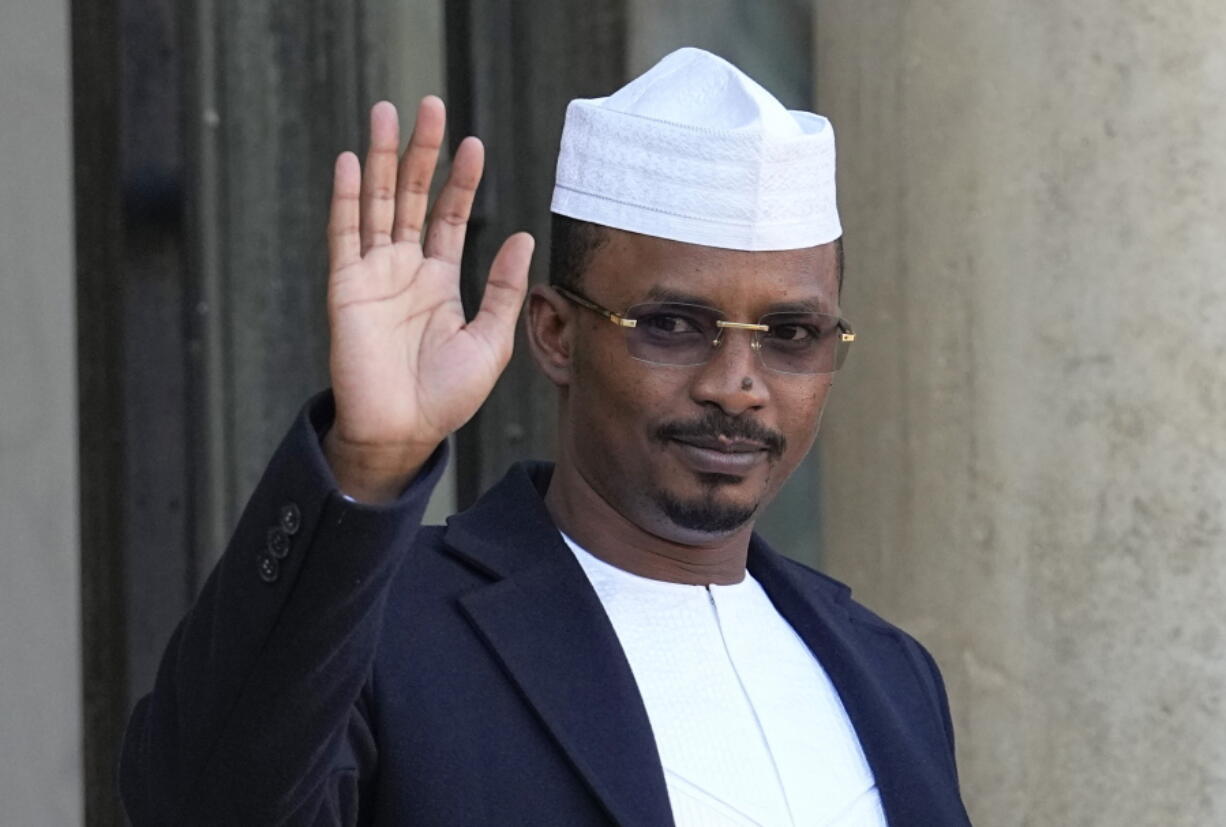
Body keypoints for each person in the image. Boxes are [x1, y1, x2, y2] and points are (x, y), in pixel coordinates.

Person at [120, 48, 972, 826]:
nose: (735, 385)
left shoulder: (891, 671)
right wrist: (368, 463)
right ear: (557, 334)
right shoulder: (390, 627)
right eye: (673, 323)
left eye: (789, 334)